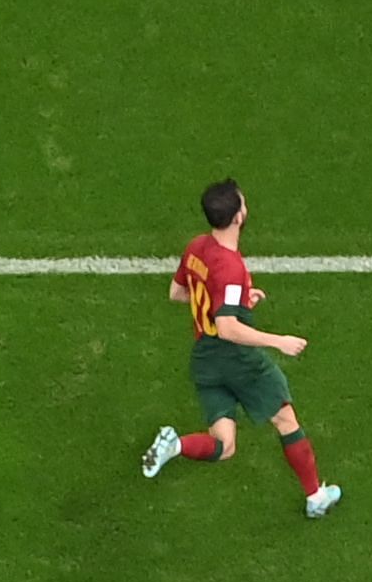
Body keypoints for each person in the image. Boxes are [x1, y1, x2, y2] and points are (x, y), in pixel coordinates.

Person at [140, 179, 341, 518]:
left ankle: (175, 445)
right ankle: (315, 496)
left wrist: (237, 301)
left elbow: (177, 293)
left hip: (205, 359)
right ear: (238, 217)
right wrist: (278, 341)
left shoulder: (196, 248)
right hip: (237, 360)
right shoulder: (231, 267)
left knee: (224, 446)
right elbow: (229, 328)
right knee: (285, 417)